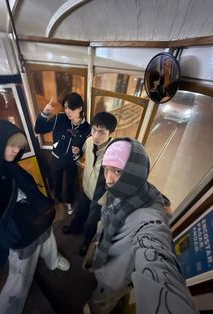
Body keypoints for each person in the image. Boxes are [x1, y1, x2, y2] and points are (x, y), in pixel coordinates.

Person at [86, 138, 199, 314]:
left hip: (115, 275)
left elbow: (154, 247)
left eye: (117, 170)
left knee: (104, 298)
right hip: (105, 257)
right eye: (106, 169)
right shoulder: (131, 187)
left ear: (133, 172)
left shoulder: (149, 216)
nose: (108, 179)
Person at [0, 120, 70, 314]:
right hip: (18, 236)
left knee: (48, 239)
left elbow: (29, 190)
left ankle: (53, 260)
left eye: (18, 147)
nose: (14, 151)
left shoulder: (9, 165)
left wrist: (48, 207)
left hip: (37, 221)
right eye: (10, 145)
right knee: (20, 279)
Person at [62, 112, 117, 256]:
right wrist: (76, 152)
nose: (96, 136)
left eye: (101, 132)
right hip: (86, 187)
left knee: (93, 222)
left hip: (101, 197)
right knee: (80, 211)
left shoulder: (115, 154)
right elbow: (82, 155)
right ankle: (75, 228)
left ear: (111, 133)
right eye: (93, 130)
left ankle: (86, 244)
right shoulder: (89, 141)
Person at [35, 93, 91, 215]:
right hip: (56, 158)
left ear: (80, 108)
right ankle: (58, 199)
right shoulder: (60, 119)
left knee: (70, 183)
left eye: (71, 108)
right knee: (56, 180)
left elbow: (84, 147)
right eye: (65, 108)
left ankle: (69, 202)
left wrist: (79, 152)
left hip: (71, 161)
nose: (67, 111)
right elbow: (39, 129)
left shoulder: (87, 128)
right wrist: (44, 113)